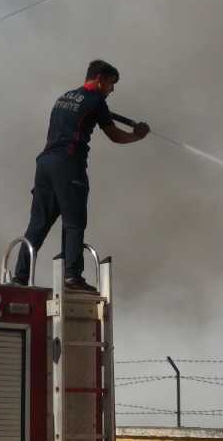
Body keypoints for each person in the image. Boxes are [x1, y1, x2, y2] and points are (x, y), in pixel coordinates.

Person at [13, 59, 150, 291]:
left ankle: (19, 277)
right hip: (68, 163)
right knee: (74, 221)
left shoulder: (64, 97)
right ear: (99, 80)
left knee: (38, 223)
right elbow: (115, 135)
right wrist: (138, 136)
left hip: (45, 163)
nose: (112, 89)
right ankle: (72, 277)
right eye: (111, 83)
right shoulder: (96, 100)